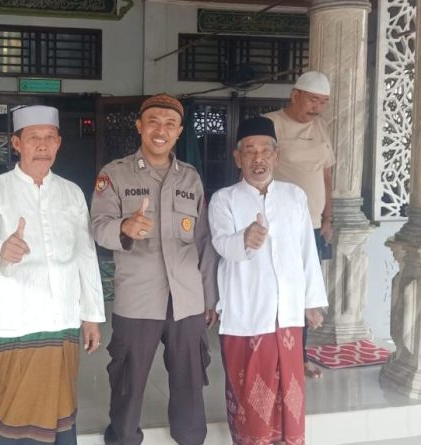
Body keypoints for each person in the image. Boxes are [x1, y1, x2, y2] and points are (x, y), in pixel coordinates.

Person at [0, 105, 106, 445]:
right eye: (33, 138)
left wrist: (91, 315)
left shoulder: (72, 192)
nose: (42, 145)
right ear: (17, 144)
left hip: (63, 317)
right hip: (18, 319)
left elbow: (86, 255)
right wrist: (1, 249)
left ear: (59, 143)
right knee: (15, 411)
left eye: (49, 138)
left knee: (61, 407)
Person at [90, 93, 218, 445]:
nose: (161, 131)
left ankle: (190, 438)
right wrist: (124, 227)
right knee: (128, 381)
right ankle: (123, 438)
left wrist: (209, 297)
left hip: (187, 300)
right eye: (153, 123)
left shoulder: (191, 178)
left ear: (179, 132)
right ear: (139, 126)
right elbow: (98, 226)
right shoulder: (114, 174)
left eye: (170, 124)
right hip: (138, 298)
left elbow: (203, 240)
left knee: (190, 380)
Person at [208, 116, 327, 445]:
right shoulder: (224, 199)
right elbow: (221, 244)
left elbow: (307, 250)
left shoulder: (294, 196)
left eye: (265, 150)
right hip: (246, 312)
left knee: (290, 393)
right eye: (249, 151)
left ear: (276, 155)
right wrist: (245, 239)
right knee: (252, 398)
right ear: (238, 158)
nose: (258, 157)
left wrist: (311, 302)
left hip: (287, 314)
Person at [264, 70, 334, 380]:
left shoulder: (321, 128)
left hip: (313, 226)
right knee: (275, 289)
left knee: (305, 292)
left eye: (323, 102)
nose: (318, 107)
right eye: (313, 100)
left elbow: (326, 176)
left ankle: (299, 357)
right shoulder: (271, 124)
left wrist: (328, 218)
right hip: (278, 225)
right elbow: (254, 169)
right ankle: (269, 355)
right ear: (295, 95)